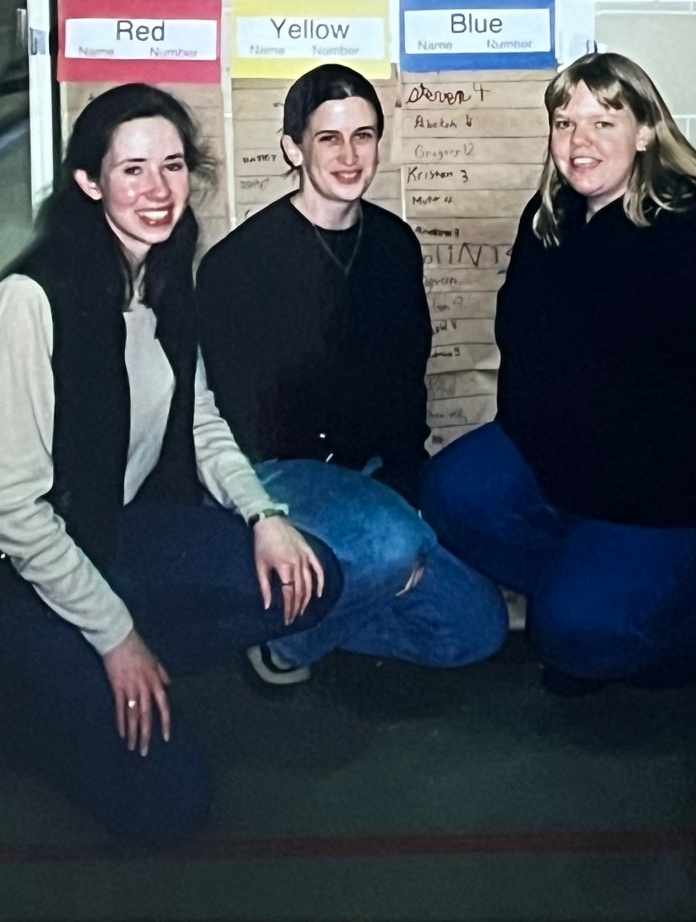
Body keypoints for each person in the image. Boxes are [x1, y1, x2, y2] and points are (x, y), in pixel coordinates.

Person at [0, 84, 343, 844]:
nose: (159, 191)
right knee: (172, 806)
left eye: (173, 165)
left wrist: (265, 516)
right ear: (90, 182)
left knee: (310, 576)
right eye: (132, 170)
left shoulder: (160, 271)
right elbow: (13, 513)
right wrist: (116, 634)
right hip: (17, 577)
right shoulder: (31, 299)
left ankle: (100, 669)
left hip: (112, 539)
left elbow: (201, 416)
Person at [420, 52, 696, 694]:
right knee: (450, 492)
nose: (579, 143)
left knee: (571, 637)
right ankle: (603, 584)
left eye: (604, 122)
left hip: (692, 490)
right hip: (596, 468)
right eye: (565, 123)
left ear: (646, 131)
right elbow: (531, 357)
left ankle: (683, 616)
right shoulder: (551, 221)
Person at [195, 63, 508, 686]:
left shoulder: (393, 244)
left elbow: (406, 384)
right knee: (393, 547)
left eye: (363, 136)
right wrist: (383, 527)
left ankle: (302, 620)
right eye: (329, 138)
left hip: (373, 477)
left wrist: (399, 490)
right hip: (281, 480)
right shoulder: (238, 265)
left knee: (477, 630)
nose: (349, 155)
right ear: (293, 148)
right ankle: (296, 639)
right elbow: (241, 428)